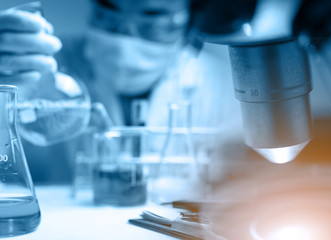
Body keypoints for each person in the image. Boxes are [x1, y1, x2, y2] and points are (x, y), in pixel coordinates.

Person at [0, 0, 244, 184]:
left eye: (151, 16)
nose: (125, 33)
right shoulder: (35, 64)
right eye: (108, 10)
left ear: (191, 18)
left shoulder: (228, 86)